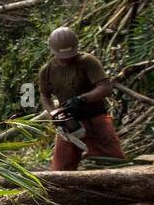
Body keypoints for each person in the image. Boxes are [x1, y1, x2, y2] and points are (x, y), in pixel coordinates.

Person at [37, 26, 125, 171]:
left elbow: (105, 87)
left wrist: (83, 99)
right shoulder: (47, 70)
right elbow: (44, 96)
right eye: (62, 56)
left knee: (114, 161)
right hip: (69, 124)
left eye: (70, 55)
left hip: (95, 117)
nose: (66, 60)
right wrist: (54, 114)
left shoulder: (87, 61)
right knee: (61, 169)